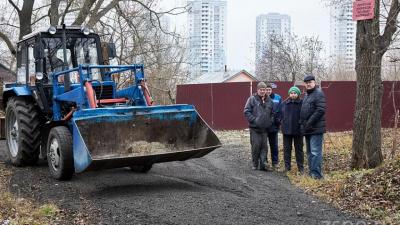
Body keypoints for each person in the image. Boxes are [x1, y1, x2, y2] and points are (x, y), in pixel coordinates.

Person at [300, 75, 326, 179]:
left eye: (310, 82)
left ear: (314, 82)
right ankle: (312, 173)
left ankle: (316, 175)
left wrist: (309, 123)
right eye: (306, 83)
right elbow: (304, 111)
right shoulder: (307, 95)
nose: (308, 84)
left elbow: (320, 110)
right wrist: (302, 124)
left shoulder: (318, 93)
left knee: (315, 152)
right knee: (310, 152)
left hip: (316, 128)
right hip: (308, 129)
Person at [244, 82, 274, 171]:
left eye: (264, 90)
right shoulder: (252, 99)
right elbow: (246, 111)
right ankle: (255, 163)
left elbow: (272, 113)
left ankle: (263, 164)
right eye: (261, 89)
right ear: (257, 90)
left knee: (264, 147)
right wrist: (254, 120)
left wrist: (270, 121)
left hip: (265, 128)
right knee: (256, 146)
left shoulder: (269, 101)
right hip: (255, 128)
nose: (262, 91)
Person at [281, 86, 304, 173]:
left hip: (298, 131)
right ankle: (287, 167)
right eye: (291, 93)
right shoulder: (285, 103)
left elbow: (304, 115)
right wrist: (282, 122)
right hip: (286, 131)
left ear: (298, 94)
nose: (293, 94)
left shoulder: (302, 103)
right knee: (287, 149)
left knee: (299, 150)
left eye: (295, 93)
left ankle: (300, 168)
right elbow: (280, 114)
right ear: (289, 94)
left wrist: (301, 125)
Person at [266, 83, 282, 170]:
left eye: (269, 90)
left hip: (274, 127)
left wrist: (278, 122)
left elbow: (280, 111)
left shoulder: (278, 98)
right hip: (264, 127)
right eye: (267, 90)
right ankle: (265, 162)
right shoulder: (262, 98)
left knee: (274, 145)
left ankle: (275, 162)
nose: (268, 91)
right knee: (264, 146)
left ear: (272, 90)